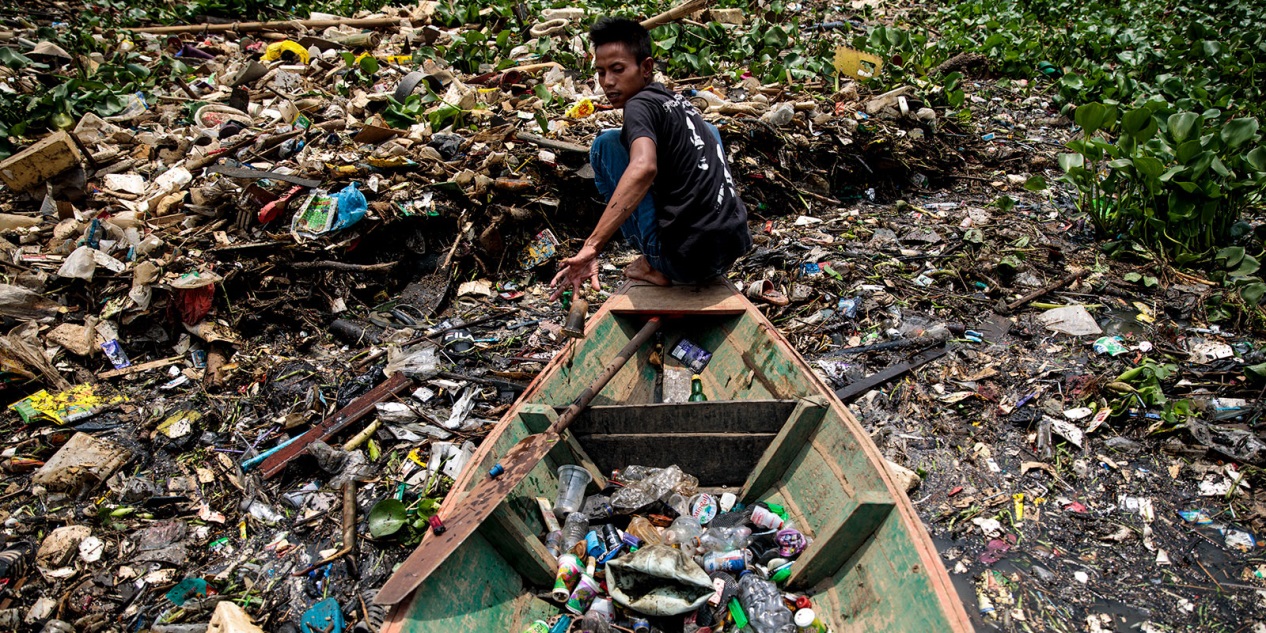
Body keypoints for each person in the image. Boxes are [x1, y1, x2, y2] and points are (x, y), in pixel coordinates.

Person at [549, 17, 752, 300]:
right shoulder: (677, 102)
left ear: (646, 68)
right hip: (732, 248)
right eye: (601, 72)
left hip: (683, 264)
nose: (607, 82)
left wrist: (592, 246)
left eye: (617, 70)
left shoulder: (638, 105)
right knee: (707, 132)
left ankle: (651, 260)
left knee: (604, 145)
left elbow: (644, 168)